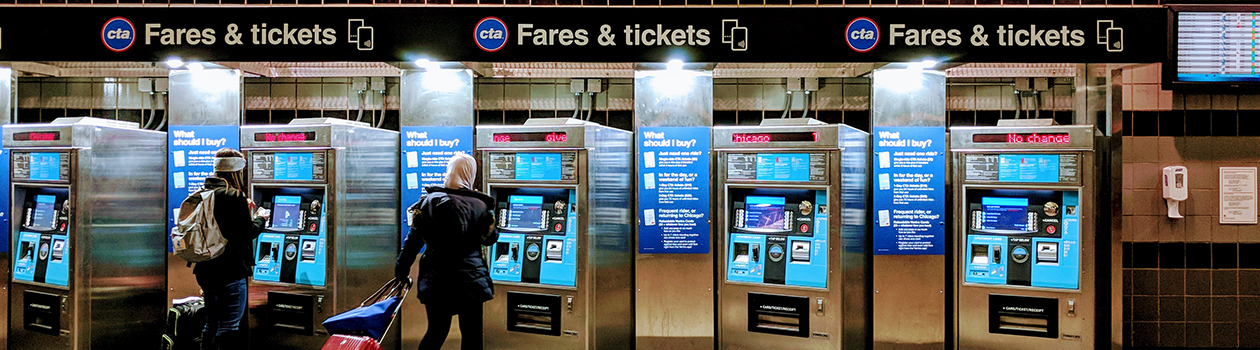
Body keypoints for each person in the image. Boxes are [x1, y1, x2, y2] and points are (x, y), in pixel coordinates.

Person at [396, 153, 498, 350]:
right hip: (471, 280)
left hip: (436, 281)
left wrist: (401, 269)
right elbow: (490, 239)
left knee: (436, 332)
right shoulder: (480, 205)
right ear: (470, 174)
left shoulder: (428, 202)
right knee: (472, 336)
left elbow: (413, 241)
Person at [194, 148, 270, 350]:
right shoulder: (234, 196)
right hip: (230, 271)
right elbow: (244, 233)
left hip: (205, 269)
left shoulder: (205, 193)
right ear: (237, 172)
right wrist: (261, 219)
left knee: (211, 323)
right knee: (229, 327)